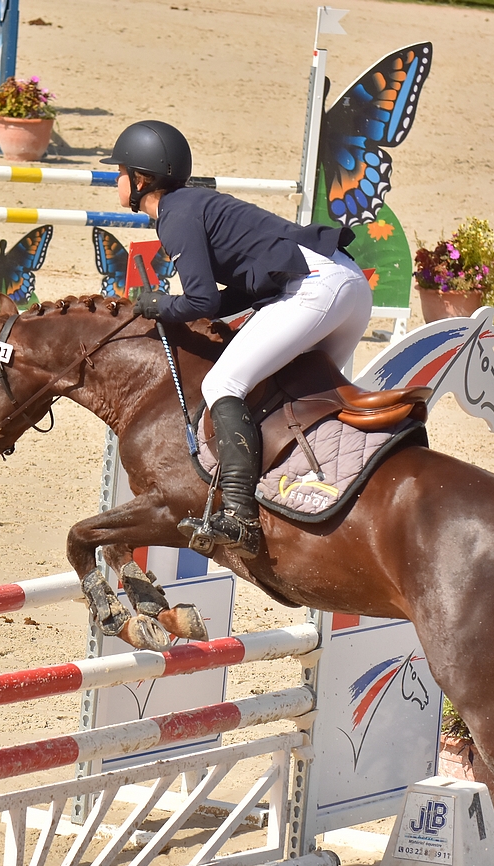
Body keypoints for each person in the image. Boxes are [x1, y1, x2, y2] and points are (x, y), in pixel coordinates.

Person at [101, 120, 372, 559]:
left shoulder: (175, 216)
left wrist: (155, 306)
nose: (115, 180)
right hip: (348, 284)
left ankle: (241, 518)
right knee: (305, 391)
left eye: (120, 171)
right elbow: (236, 295)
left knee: (221, 385)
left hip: (315, 287)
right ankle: (321, 485)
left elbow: (201, 300)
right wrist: (175, 306)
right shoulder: (194, 205)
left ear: (141, 179)